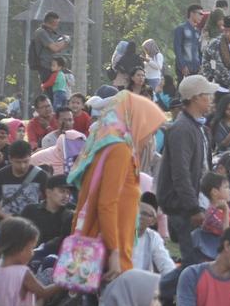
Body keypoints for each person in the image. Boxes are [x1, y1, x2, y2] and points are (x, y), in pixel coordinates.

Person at [70, 91, 168, 276]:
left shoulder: (116, 146)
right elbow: (107, 203)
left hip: (110, 250)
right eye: (151, 132)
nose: (149, 140)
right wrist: (114, 251)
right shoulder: (119, 150)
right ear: (138, 122)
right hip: (110, 257)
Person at [157, 75, 219, 266]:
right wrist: (192, 208)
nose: (211, 100)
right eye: (207, 95)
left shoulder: (199, 127)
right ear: (195, 98)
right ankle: (165, 290)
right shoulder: (182, 129)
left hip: (197, 201)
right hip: (183, 206)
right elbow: (180, 174)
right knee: (192, 262)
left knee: (199, 260)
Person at [0, 140, 50, 220]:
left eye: (26, 161)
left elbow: (50, 198)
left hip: (33, 220)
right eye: (18, 162)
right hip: (8, 220)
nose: (22, 166)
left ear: (30, 157)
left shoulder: (40, 175)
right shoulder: (0, 175)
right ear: (10, 159)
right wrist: (4, 216)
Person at [31, 12, 71, 86]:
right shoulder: (41, 32)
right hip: (45, 67)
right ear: (52, 22)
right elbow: (55, 48)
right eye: (56, 23)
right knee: (49, 92)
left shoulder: (49, 33)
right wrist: (66, 40)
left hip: (52, 67)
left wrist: (63, 42)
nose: (57, 26)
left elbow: (58, 48)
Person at [173, 5, 205, 80]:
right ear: (192, 13)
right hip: (184, 69)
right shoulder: (180, 29)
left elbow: (199, 50)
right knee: (182, 90)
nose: (202, 16)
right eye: (200, 14)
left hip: (196, 68)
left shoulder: (198, 31)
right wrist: (183, 66)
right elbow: (177, 48)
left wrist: (201, 65)